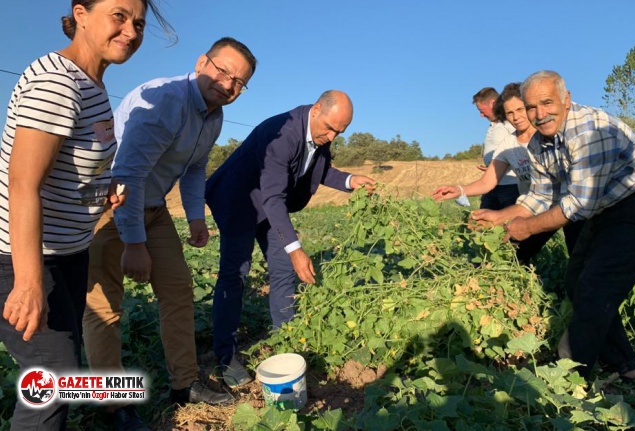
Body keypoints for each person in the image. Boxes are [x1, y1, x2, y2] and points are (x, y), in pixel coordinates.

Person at [0, 1, 170, 429]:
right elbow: (23, 184)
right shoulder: (59, 81)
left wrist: (102, 189)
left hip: (68, 253)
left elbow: (67, 170)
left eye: (138, 23)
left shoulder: (91, 86)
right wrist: (28, 282)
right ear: (80, 13)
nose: (130, 32)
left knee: (61, 368)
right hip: (21, 258)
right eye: (119, 15)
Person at [82, 37, 257, 426]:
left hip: (153, 206)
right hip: (110, 207)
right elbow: (126, 176)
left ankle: (185, 383)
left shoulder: (212, 115)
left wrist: (196, 216)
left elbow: (194, 167)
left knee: (177, 291)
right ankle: (110, 407)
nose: (227, 84)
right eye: (222, 71)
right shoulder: (165, 101)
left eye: (238, 82)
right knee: (104, 309)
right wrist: (134, 244)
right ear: (201, 62)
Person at [472, 70, 635, 380]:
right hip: (607, 207)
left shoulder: (587, 130)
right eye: (532, 107)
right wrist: (501, 220)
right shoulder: (539, 147)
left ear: (566, 100)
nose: (539, 114)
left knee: (595, 286)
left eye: (547, 102)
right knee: (577, 282)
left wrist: (527, 229)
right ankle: (626, 367)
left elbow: (579, 204)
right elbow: (541, 196)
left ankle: (567, 376)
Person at [205, 90, 375, 389]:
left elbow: (318, 171)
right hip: (238, 201)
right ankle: (226, 357)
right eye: (331, 128)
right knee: (235, 275)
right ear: (316, 110)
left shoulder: (319, 136)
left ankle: (284, 337)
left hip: (269, 202)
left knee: (282, 268)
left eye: (341, 132)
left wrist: (350, 180)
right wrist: (297, 248)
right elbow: (273, 196)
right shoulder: (282, 132)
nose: (334, 137)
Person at [433, 83, 582, 264]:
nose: (516, 117)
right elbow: (488, 182)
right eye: (510, 113)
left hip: (567, 204)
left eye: (520, 109)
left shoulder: (547, 134)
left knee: (579, 253)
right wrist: (459, 190)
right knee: (515, 254)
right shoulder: (508, 145)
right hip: (534, 208)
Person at [472, 87, 519, 210]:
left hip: (510, 185)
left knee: (509, 223)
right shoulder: (494, 125)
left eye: (482, 110)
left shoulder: (510, 122)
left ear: (493, 103)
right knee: (483, 220)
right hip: (492, 184)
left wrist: (499, 164)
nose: (481, 115)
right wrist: (492, 166)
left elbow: (519, 148)